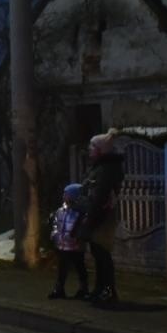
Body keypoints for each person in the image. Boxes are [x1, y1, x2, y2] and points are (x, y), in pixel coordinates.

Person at [77, 128, 126, 304]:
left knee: (102, 252)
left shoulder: (106, 170)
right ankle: (99, 288)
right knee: (98, 253)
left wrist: (89, 217)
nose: (90, 150)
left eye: (93, 147)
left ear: (101, 150)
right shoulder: (99, 168)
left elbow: (99, 197)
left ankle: (108, 290)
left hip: (103, 216)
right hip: (97, 215)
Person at [48, 183, 90, 299]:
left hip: (76, 245)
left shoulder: (80, 212)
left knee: (80, 267)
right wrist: (55, 235)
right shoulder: (61, 211)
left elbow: (82, 228)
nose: (64, 196)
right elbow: (56, 224)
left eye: (66, 194)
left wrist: (78, 238)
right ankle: (59, 288)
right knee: (62, 267)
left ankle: (83, 289)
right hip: (63, 245)